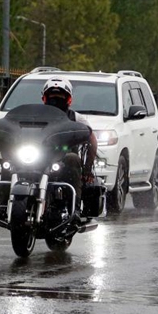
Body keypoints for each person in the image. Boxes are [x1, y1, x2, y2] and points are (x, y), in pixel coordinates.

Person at [41, 78, 98, 216]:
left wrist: (87, 170)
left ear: (69, 99)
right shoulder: (34, 115)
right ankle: (4, 203)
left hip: (63, 158)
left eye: (60, 97)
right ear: (44, 98)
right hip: (38, 157)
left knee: (72, 158)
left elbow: (92, 139)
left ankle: (75, 207)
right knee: (9, 163)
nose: (55, 100)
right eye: (52, 97)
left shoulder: (77, 118)